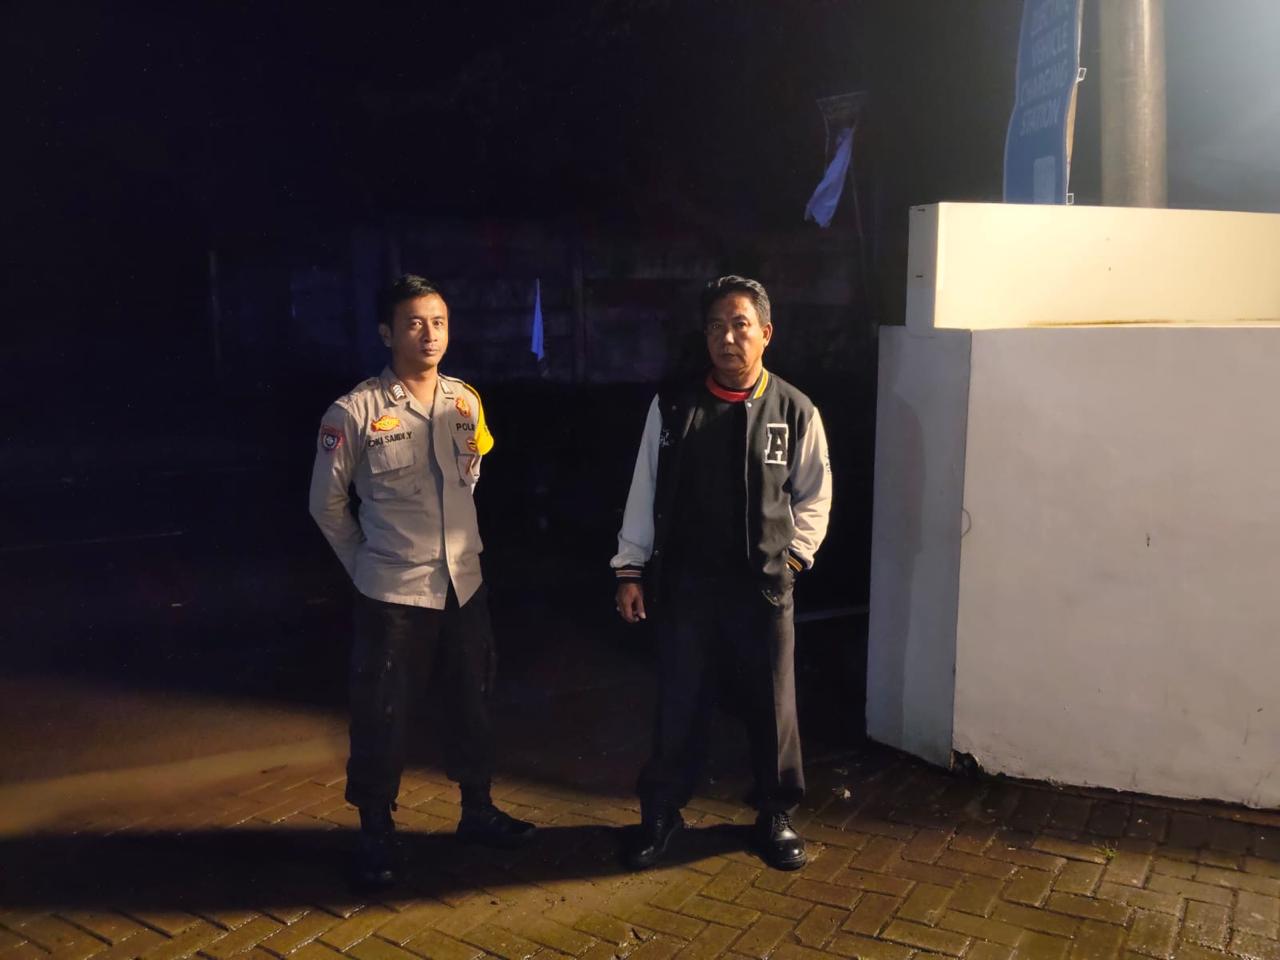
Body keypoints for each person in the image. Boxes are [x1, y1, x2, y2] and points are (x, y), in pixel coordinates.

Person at [310, 274, 534, 888]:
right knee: (382, 714)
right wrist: (366, 565)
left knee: (473, 703)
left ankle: (477, 810)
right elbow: (326, 505)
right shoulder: (355, 411)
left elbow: (472, 470)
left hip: (464, 585)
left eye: (438, 322)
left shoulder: (464, 402)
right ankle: (376, 831)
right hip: (393, 595)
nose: (429, 334)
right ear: (387, 333)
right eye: (414, 323)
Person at [612, 275, 832, 871]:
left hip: (763, 586)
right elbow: (644, 489)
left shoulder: (794, 409)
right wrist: (630, 569)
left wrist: (792, 559)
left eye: (740, 325)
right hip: (687, 586)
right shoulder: (674, 406)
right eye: (716, 326)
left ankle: (775, 813)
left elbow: (815, 495)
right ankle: (662, 811)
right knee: (679, 700)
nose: (727, 338)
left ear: (766, 333)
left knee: (772, 703)